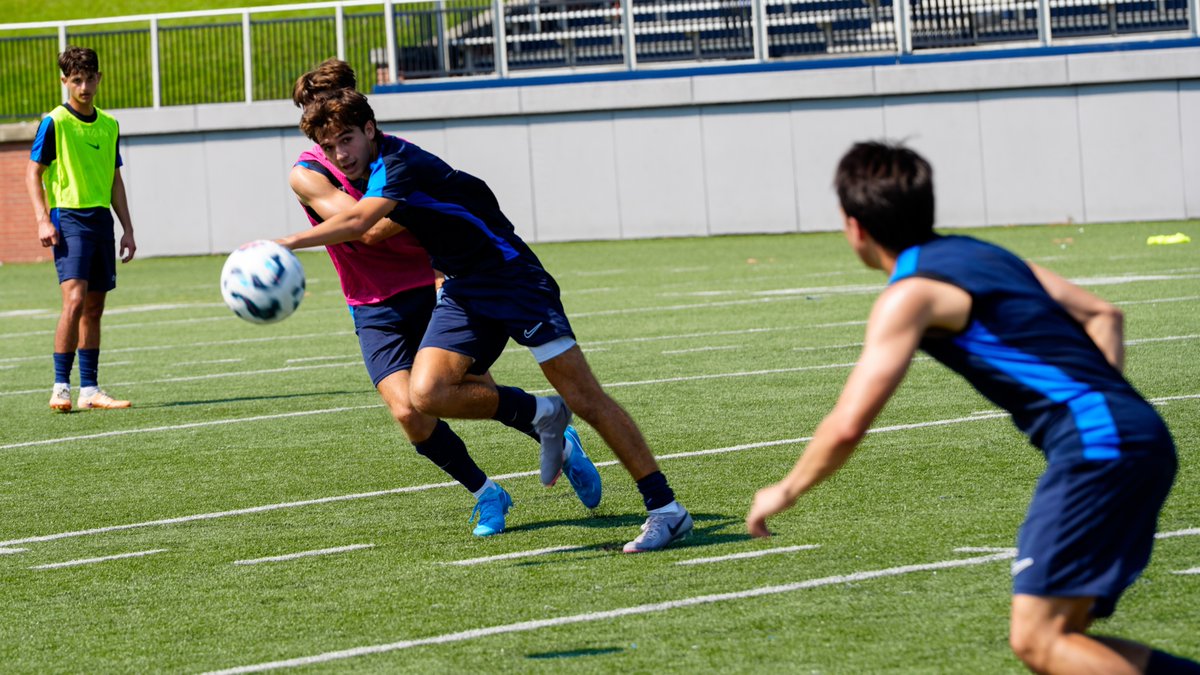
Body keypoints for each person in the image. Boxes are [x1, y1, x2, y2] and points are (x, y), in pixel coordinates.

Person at [746, 141, 1198, 674]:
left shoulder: (910, 294)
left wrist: (786, 488)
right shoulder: (984, 254)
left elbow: (847, 425)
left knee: (1040, 639)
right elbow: (1104, 314)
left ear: (855, 227)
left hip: (1099, 441)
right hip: (1133, 431)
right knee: (1061, 633)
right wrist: (1101, 406)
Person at [277, 89, 692, 553]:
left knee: (587, 398)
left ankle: (666, 510)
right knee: (426, 395)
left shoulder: (399, 164)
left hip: (514, 280)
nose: (340, 154)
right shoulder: (374, 169)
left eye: (347, 140)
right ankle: (544, 414)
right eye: (330, 147)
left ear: (370, 130)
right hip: (464, 288)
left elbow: (361, 225)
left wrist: (280, 244)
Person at [288, 60, 601, 538]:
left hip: (433, 284)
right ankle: (487, 493)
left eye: (341, 118)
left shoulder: (395, 157)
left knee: (468, 392)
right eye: (322, 125)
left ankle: (556, 430)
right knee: (408, 411)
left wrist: (412, 209)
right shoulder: (308, 173)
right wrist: (406, 204)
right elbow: (364, 225)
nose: (335, 139)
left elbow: (410, 216)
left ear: (358, 112)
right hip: (373, 302)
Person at [25, 46, 135, 413]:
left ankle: (90, 390)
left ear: (99, 78)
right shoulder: (54, 122)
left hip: (101, 220)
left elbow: (115, 180)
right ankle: (60, 387)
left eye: (90, 79)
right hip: (68, 218)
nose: (84, 86)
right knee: (73, 301)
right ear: (64, 81)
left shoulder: (110, 124)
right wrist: (42, 217)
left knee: (95, 306)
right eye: (76, 80)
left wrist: (128, 228)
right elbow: (33, 173)